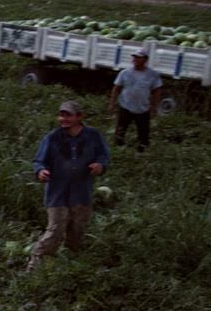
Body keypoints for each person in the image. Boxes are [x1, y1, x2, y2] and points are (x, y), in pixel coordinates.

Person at [27, 101, 111, 271]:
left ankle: (71, 263)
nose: (63, 119)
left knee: (77, 228)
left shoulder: (93, 136)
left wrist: (100, 165)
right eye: (61, 115)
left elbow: (103, 155)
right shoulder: (52, 137)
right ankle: (35, 267)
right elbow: (39, 160)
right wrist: (41, 171)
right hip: (57, 192)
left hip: (81, 192)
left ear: (80, 117)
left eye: (68, 115)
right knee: (55, 229)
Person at [108, 50, 163, 152]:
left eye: (138, 58)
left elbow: (157, 91)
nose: (135, 60)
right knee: (121, 129)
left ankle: (142, 150)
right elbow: (116, 88)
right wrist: (112, 103)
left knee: (143, 132)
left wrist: (154, 107)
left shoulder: (152, 75)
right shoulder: (125, 73)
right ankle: (119, 148)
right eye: (134, 57)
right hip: (126, 106)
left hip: (142, 108)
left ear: (145, 60)